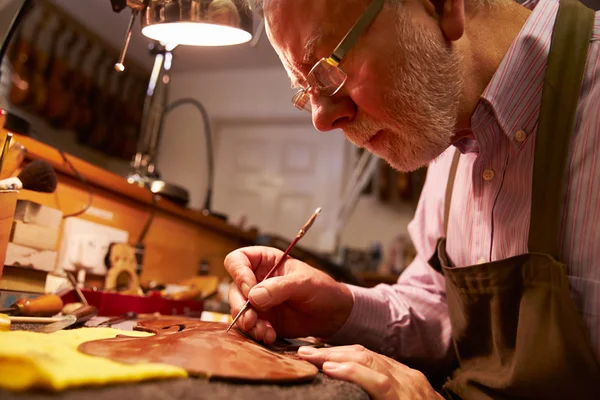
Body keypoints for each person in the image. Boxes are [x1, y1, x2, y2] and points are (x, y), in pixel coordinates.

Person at [224, 0, 600, 398]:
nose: (321, 119)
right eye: (306, 89)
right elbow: (437, 306)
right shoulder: (447, 119)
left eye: (328, 69)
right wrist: (339, 308)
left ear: (439, 6)